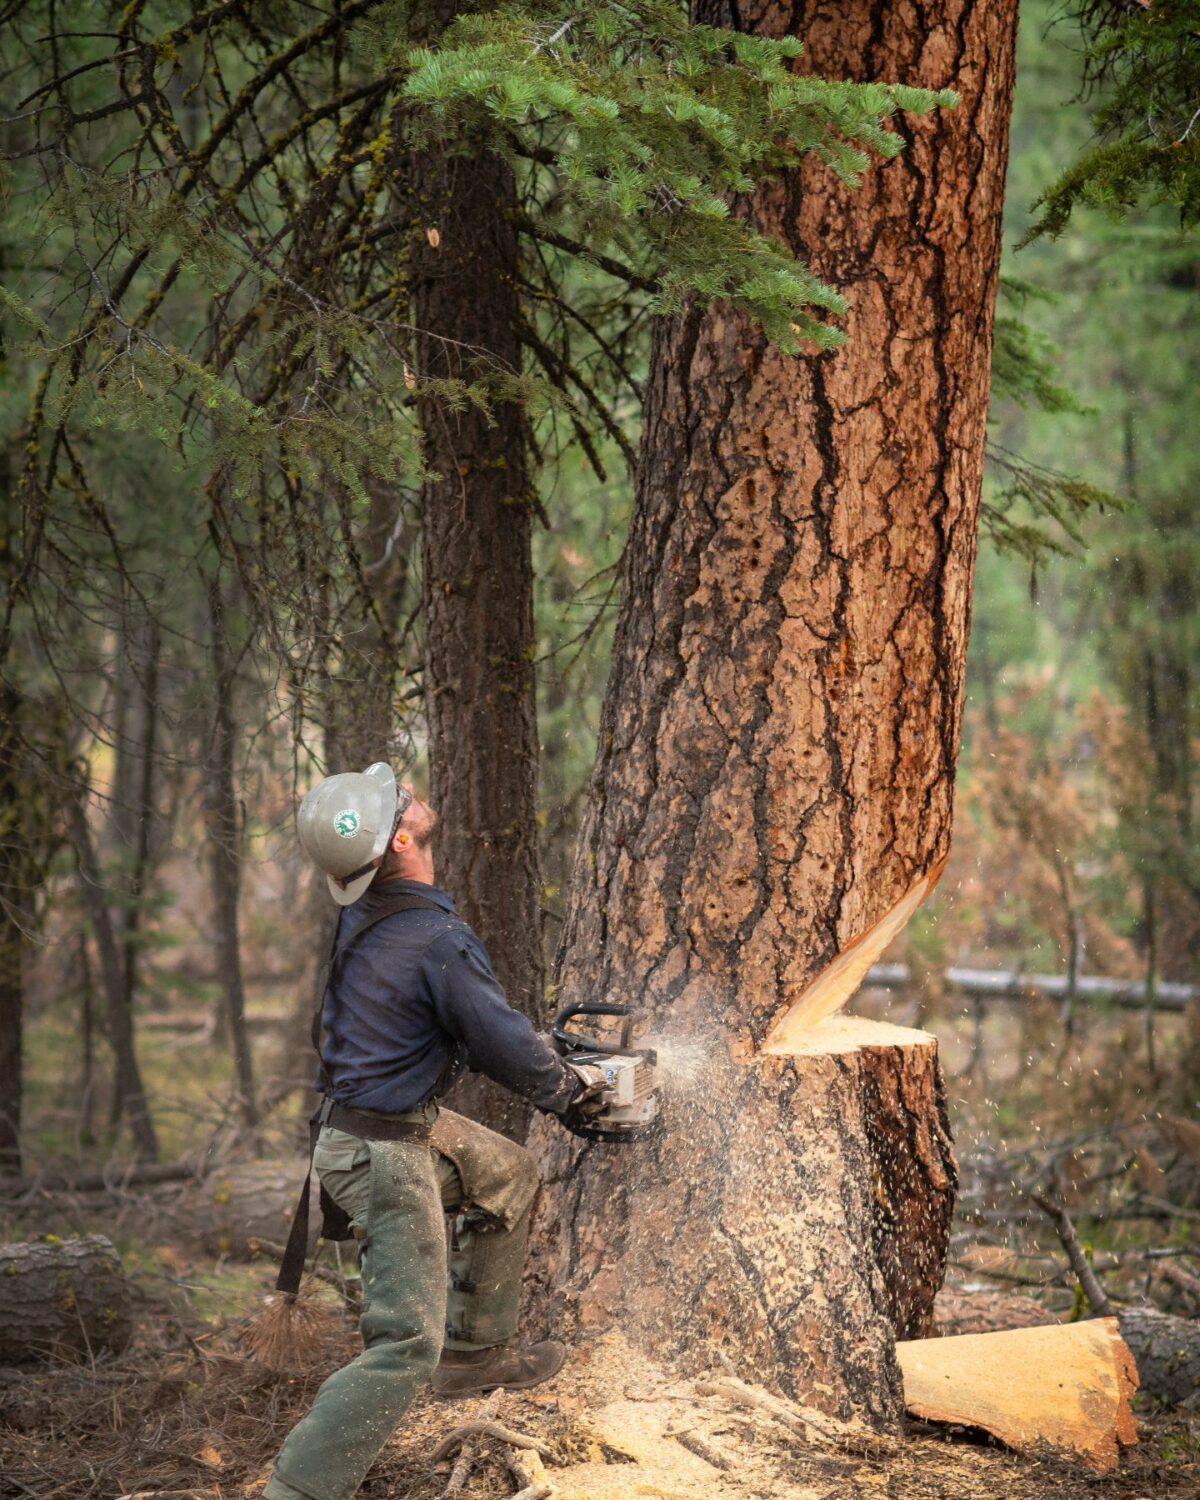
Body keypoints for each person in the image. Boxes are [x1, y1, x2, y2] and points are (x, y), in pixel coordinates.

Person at [263, 761, 604, 1500]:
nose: (414, 794)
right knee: (405, 1343)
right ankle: (296, 1489)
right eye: (402, 801)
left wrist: (540, 1062)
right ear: (397, 842)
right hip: (383, 1150)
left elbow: (467, 1024)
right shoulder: (431, 938)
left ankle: (476, 1355)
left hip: (376, 1122)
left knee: (507, 1173)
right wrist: (567, 1088)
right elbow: (496, 1039)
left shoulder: (376, 915)